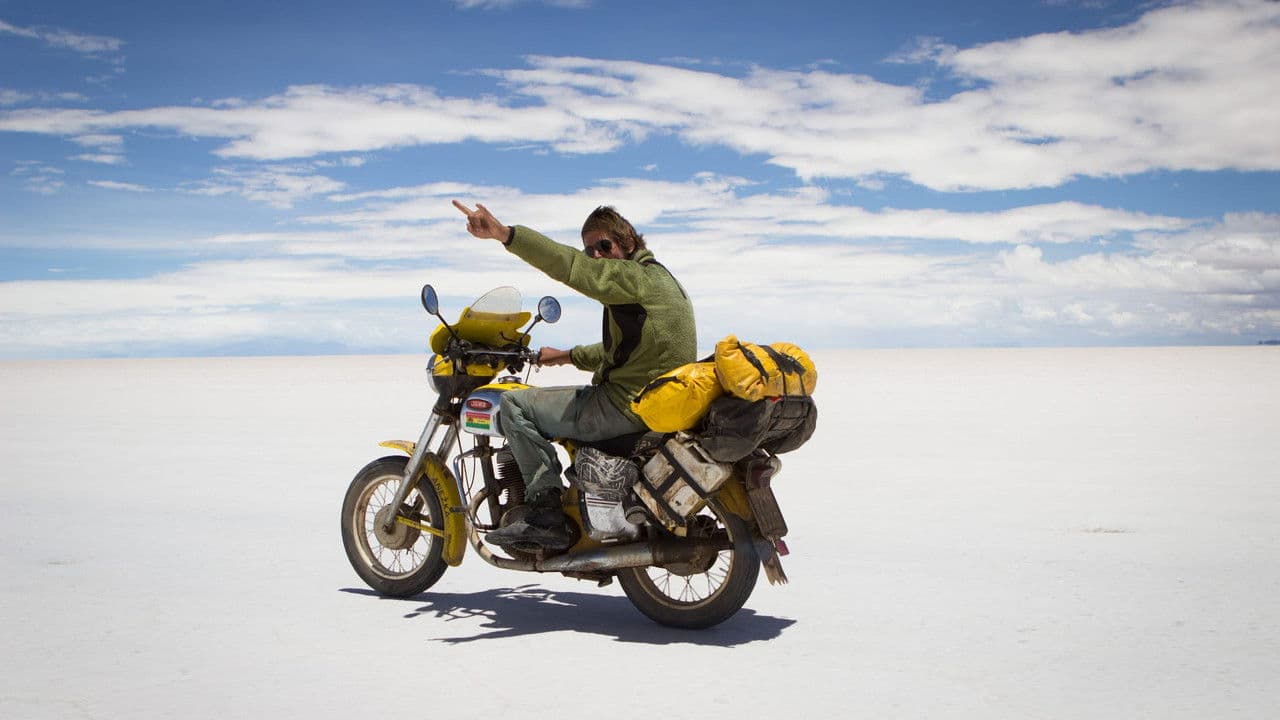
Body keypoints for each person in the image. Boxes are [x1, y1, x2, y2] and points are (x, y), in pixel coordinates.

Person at [452, 200, 696, 550]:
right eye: (589, 249)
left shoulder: (635, 278)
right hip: (654, 403)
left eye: (603, 246)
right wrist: (564, 356)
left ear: (628, 241)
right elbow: (624, 352)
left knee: (514, 406)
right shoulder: (660, 282)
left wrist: (506, 235)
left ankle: (545, 512)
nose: (595, 255)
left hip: (624, 406)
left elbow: (569, 265)